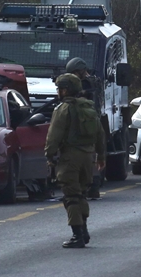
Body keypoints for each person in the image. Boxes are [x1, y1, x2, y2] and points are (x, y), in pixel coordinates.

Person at [45, 73, 105, 249]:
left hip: (70, 157)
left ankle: (77, 235)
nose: (58, 92)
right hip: (88, 156)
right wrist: (101, 156)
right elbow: (100, 134)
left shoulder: (62, 109)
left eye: (59, 89)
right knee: (82, 193)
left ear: (65, 90)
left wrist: (50, 156)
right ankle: (84, 229)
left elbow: (53, 136)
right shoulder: (89, 107)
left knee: (71, 196)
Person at [65, 57, 106, 199]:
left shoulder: (88, 83)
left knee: (91, 157)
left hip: (88, 122)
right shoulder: (91, 81)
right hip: (89, 121)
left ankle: (92, 187)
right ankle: (91, 188)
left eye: (75, 73)